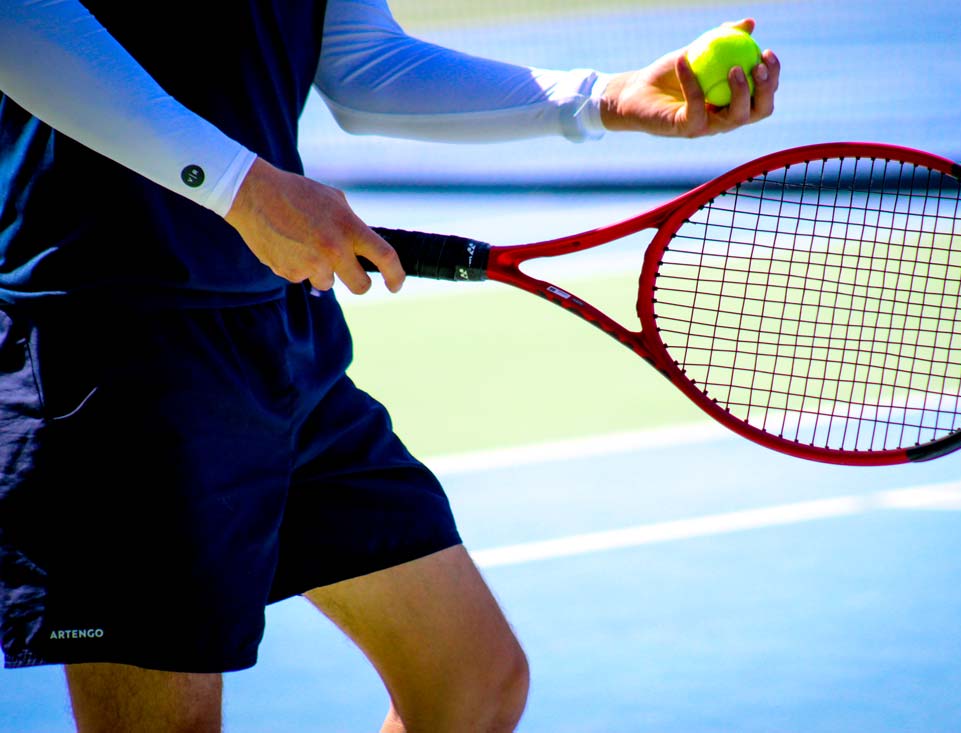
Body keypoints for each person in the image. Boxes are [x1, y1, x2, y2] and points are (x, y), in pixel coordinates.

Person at [0, 0, 780, 730]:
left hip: (274, 327)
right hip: (112, 331)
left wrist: (599, 97)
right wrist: (240, 187)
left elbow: (363, 66)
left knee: (471, 683)